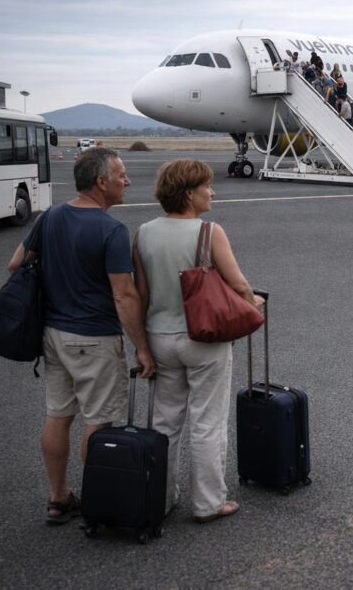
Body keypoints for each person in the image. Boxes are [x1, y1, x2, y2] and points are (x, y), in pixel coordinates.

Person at [6, 147, 154, 526]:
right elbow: (123, 294)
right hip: (94, 337)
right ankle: (97, 500)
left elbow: (15, 264)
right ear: (101, 182)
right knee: (99, 420)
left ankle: (58, 499)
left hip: (53, 334)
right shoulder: (112, 230)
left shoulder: (51, 215)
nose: (127, 181)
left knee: (58, 415)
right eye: (121, 175)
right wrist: (141, 346)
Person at [133, 159, 263, 524]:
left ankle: (160, 498)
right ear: (189, 193)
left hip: (161, 338)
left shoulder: (143, 233)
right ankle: (208, 503)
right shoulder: (209, 231)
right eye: (207, 186)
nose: (212, 191)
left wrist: (141, 343)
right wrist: (253, 302)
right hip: (203, 340)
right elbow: (237, 284)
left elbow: (141, 295)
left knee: (165, 423)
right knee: (207, 422)